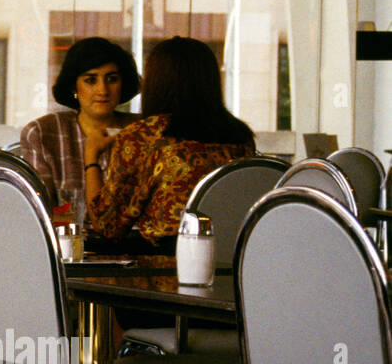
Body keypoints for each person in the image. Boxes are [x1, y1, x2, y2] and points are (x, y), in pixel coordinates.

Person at [85, 36, 255, 253]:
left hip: (168, 270)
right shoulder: (241, 136)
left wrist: (91, 157)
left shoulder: (144, 136)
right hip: (235, 266)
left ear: (155, 82)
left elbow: (107, 225)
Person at [20, 37, 140, 208]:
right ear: (73, 87)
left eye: (112, 79)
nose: (103, 90)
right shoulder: (42, 133)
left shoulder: (141, 130)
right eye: (91, 80)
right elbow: (40, 212)